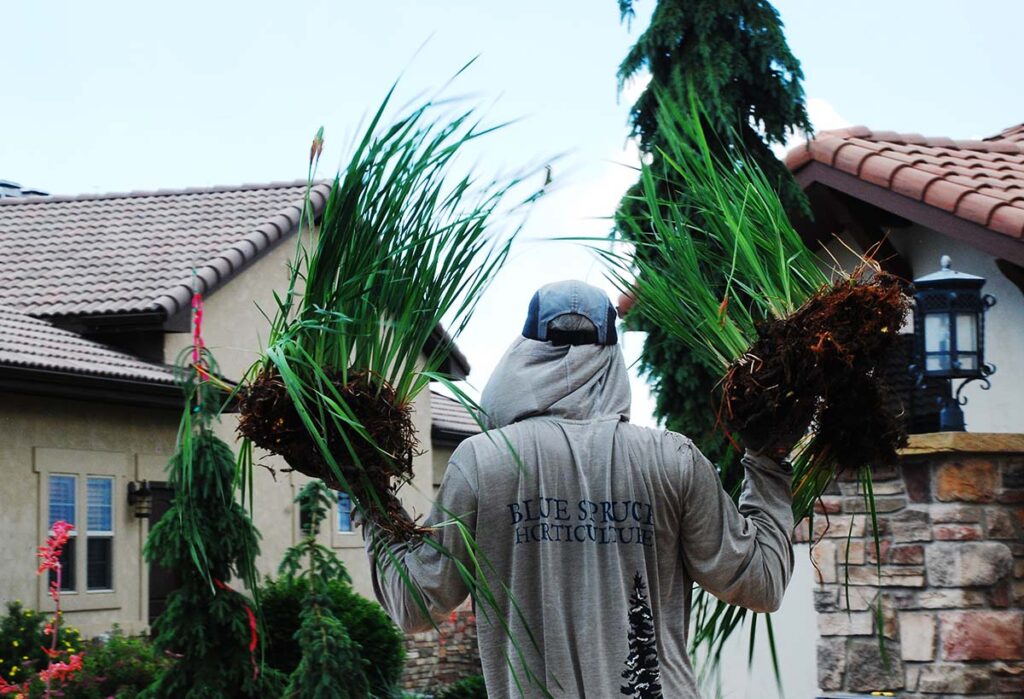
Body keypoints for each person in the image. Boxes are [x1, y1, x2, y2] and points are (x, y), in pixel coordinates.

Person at [362, 280, 796, 698]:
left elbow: (415, 605)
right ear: (611, 356)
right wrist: (769, 459)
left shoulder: (481, 463)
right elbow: (761, 583)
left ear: (526, 351)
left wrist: (366, 488)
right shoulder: (673, 459)